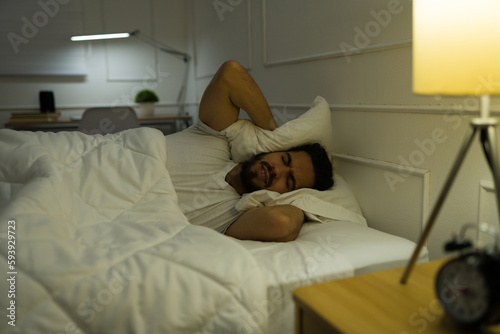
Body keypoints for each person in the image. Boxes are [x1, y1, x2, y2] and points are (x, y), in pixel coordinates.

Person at [165, 60, 333, 242]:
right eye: (284, 159)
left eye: (289, 180)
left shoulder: (235, 215)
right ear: (275, 150)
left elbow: (283, 223)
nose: (277, 170)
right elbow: (230, 73)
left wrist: (300, 202)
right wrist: (273, 133)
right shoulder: (217, 137)